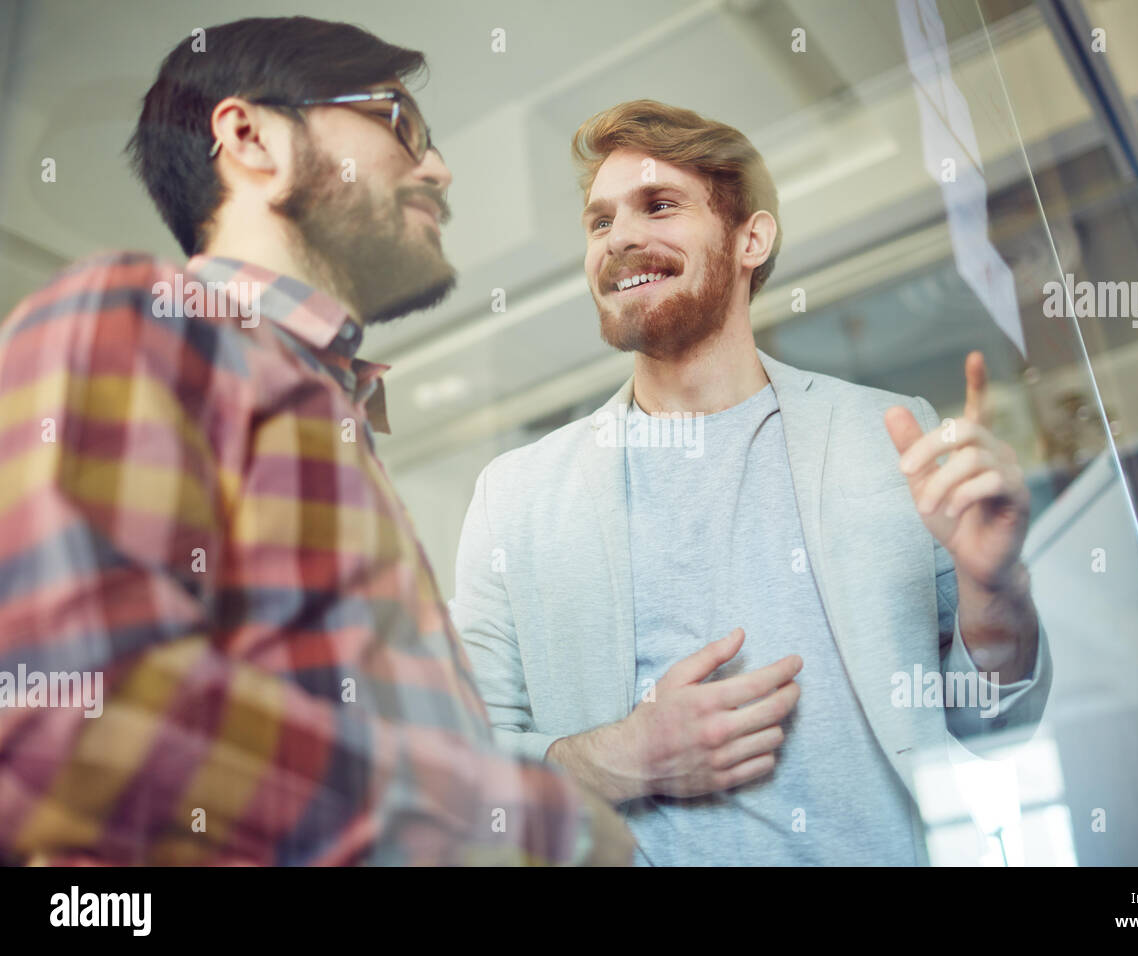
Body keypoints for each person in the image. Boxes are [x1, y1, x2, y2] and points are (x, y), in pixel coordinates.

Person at [0, 16, 633, 867]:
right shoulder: (142, 315)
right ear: (251, 136)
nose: (439, 168)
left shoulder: (329, 403)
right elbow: (72, 710)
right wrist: (535, 825)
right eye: (399, 123)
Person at [451, 100, 1053, 865]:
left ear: (751, 239)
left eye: (659, 205)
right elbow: (463, 772)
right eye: (599, 222)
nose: (621, 237)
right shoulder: (517, 495)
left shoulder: (888, 435)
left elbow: (993, 725)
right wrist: (620, 756)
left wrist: (994, 588)